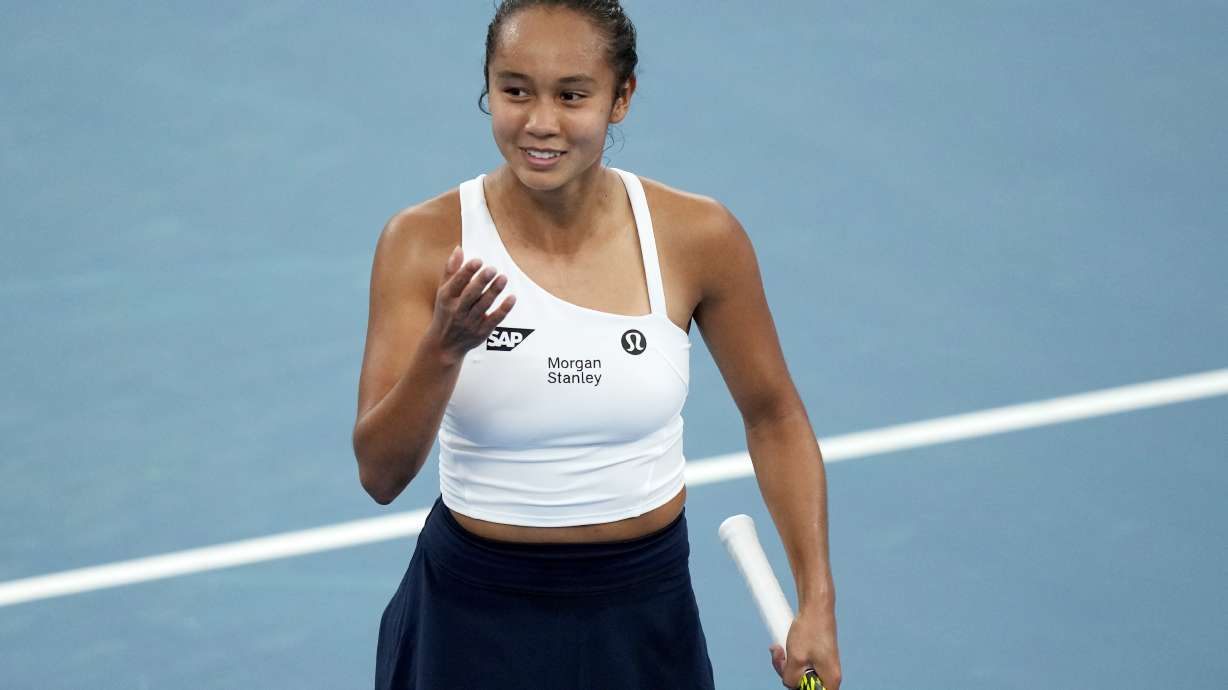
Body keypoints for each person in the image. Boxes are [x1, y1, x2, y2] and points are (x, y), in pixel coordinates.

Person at [352, 1, 841, 688]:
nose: (540, 122)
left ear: (622, 99)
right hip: (471, 620)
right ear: (487, 87)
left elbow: (775, 416)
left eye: (572, 95)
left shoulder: (697, 236)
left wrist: (816, 601)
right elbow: (379, 473)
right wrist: (445, 347)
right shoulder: (424, 242)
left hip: (642, 617)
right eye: (514, 90)